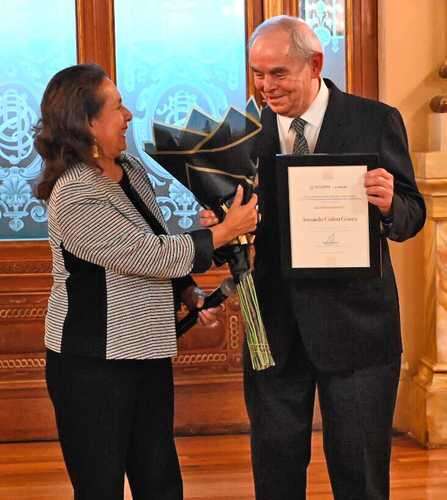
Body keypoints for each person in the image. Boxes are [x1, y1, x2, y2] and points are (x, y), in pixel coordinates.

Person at [201, 15, 426, 500]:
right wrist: (217, 227)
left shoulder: (376, 120)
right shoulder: (241, 134)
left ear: (315, 65)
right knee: (275, 471)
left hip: (360, 331)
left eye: (277, 73)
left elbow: (412, 216)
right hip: (275, 328)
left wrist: (390, 203)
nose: (265, 87)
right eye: (258, 74)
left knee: (361, 475)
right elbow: (232, 229)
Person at [34, 63, 258, 500]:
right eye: (118, 107)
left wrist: (189, 291)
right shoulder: (75, 192)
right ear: (88, 123)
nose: (130, 114)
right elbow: (145, 256)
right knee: (100, 487)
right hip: (91, 364)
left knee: (160, 482)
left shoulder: (130, 170)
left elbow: (153, 239)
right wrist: (224, 232)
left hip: (147, 352)